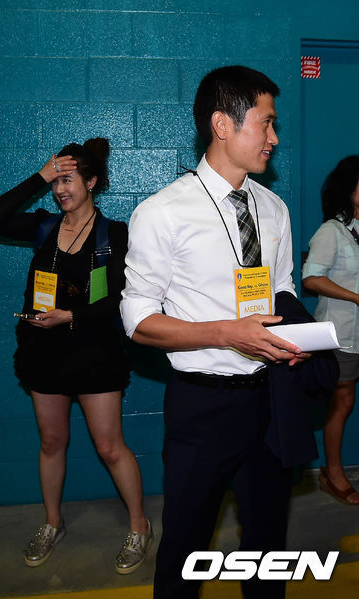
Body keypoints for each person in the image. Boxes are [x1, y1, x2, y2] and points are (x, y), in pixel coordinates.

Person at [121, 66, 337, 599]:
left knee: (267, 544)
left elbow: (281, 290)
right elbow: (138, 320)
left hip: (272, 397)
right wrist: (226, 333)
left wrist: (295, 342)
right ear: (223, 124)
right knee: (186, 547)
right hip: (203, 406)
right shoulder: (163, 213)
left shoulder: (274, 208)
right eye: (266, 123)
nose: (274, 137)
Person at [0, 138, 151, 574]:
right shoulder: (43, 227)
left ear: (91, 183)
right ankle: (52, 522)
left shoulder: (115, 235)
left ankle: (139, 525)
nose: (60, 189)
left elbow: (121, 300)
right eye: (55, 182)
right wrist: (40, 175)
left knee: (109, 446)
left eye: (68, 180)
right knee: (52, 442)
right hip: (45, 353)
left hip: (95, 353)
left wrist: (71, 316)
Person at [303, 156, 359, 505]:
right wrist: (354, 296)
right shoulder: (332, 231)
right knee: (342, 401)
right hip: (342, 333)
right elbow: (311, 278)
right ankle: (332, 473)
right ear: (348, 189)